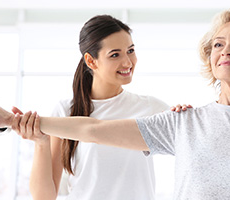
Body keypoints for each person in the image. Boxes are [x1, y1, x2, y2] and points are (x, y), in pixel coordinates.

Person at [0, 9, 230, 199]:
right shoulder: (183, 123)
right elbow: (92, 129)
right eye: (218, 44)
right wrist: (15, 121)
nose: (226, 51)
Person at [9, 15, 175, 200]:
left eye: (130, 50)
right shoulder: (66, 112)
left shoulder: (151, 107)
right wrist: (41, 142)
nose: (128, 62)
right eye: (115, 55)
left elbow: (189, 141)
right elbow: (44, 196)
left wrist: (182, 114)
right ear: (91, 61)